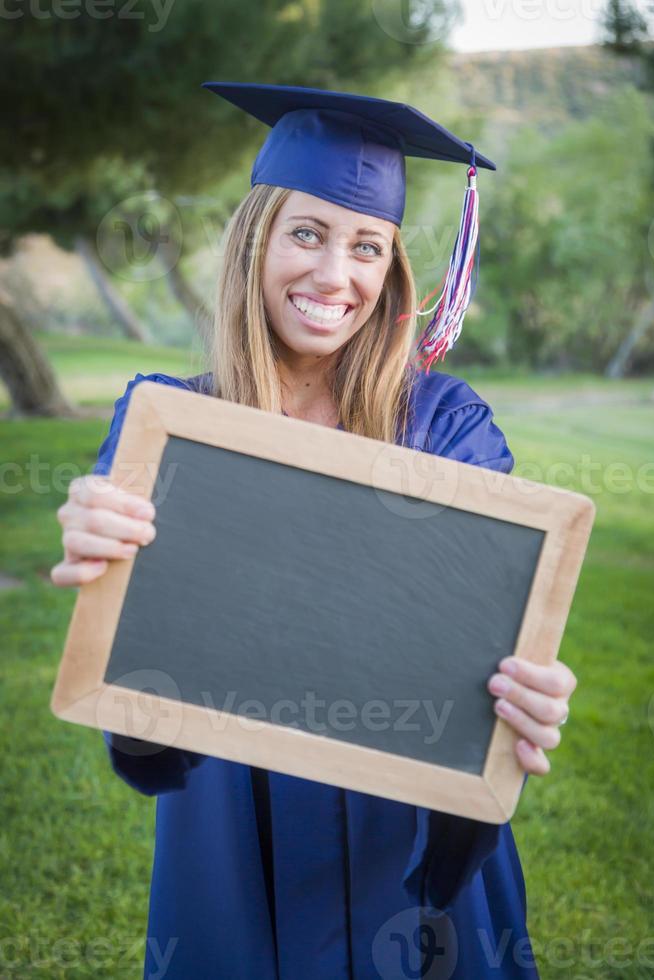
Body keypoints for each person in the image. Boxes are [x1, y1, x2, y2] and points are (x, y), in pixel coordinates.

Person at [50, 84, 576, 979]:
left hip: (407, 834)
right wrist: (108, 585)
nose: (336, 276)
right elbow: (144, 729)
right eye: (306, 234)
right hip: (233, 828)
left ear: (391, 270)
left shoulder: (446, 427)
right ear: (254, 242)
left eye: (366, 246)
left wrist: (525, 693)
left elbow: (489, 641)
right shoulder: (168, 424)